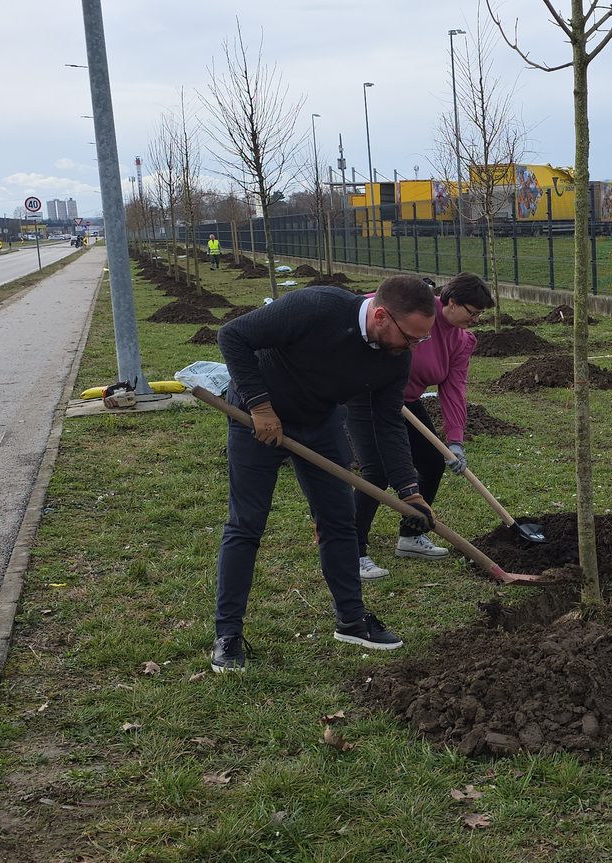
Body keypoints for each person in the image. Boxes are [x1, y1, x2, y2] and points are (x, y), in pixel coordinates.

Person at [210, 274, 439, 671]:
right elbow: (233, 336)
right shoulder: (317, 307)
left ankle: (351, 619)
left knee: (339, 521)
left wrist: (409, 490)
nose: (413, 348)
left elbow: (387, 423)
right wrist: (260, 407)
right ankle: (227, 633)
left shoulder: (395, 356)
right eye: (411, 337)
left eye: (421, 340)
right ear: (382, 316)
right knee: (246, 524)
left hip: (320, 423)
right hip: (258, 417)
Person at [349, 272, 495, 578]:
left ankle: (411, 534)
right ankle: (351, 548)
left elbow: (454, 388)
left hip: (407, 402)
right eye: (473, 312)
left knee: (431, 462)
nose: (476, 319)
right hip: (366, 395)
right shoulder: (412, 310)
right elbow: (365, 314)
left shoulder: (461, 340)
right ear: (451, 302)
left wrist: (455, 439)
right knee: (376, 473)